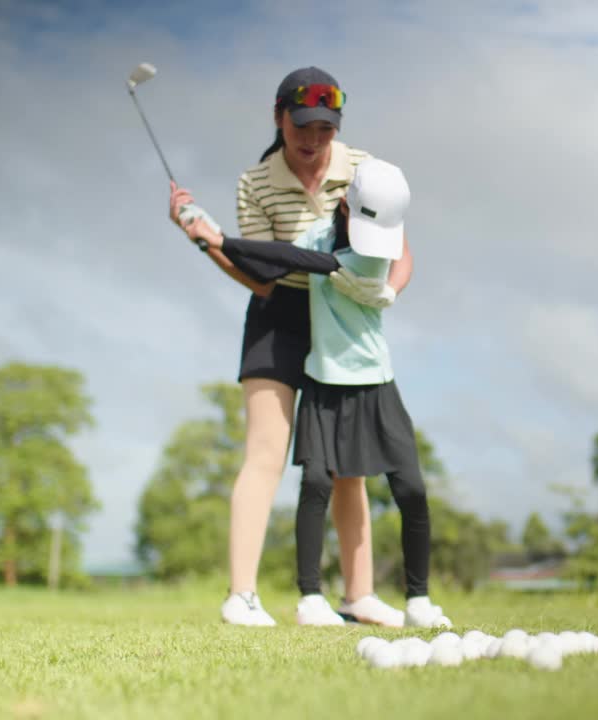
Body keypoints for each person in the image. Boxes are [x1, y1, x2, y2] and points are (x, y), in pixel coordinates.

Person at [170, 66, 410, 627]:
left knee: (348, 464)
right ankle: (242, 596)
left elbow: (401, 250)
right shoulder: (254, 183)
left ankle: (358, 595)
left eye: (326, 128)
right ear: (280, 117)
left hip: (345, 316)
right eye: (303, 125)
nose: (313, 139)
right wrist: (206, 241)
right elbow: (262, 276)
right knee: (265, 452)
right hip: (279, 319)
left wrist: (387, 293)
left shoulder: (363, 169)